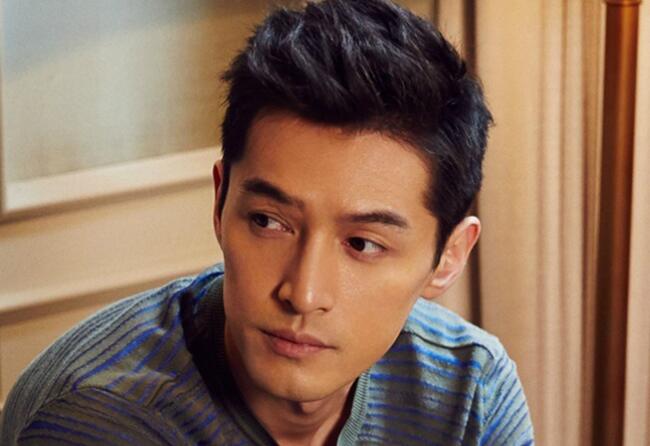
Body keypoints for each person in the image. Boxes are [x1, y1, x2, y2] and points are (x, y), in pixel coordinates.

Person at [0, 1, 534, 444]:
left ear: (449, 257)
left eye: (363, 244)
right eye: (268, 222)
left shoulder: (472, 393)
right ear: (220, 201)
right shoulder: (99, 419)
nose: (302, 293)